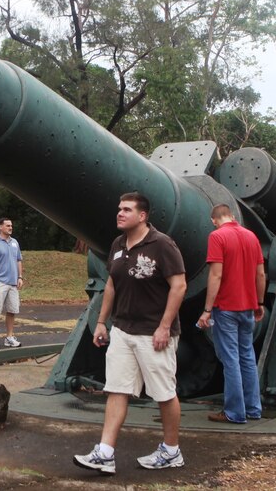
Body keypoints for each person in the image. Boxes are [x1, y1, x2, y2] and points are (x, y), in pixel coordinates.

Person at [74, 192, 187, 475]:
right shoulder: (118, 244)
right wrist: (102, 322)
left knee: (163, 393)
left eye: (126, 209)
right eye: (119, 209)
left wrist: (164, 326)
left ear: (143, 216)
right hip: (123, 330)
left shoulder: (162, 245)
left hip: (153, 332)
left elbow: (179, 286)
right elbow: (111, 284)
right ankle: (105, 453)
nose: (120, 213)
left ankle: (172, 451)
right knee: (116, 389)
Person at [197, 204, 266, 423]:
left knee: (231, 360)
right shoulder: (251, 237)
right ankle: (253, 409)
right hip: (248, 307)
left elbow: (216, 276)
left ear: (214, 220)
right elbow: (261, 274)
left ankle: (235, 412)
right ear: (232, 216)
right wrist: (260, 302)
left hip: (226, 308)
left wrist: (207, 310)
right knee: (247, 357)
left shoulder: (217, 237)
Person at [0, 217, 23, 349]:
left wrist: (20, 277)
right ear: (0, 227)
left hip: (13, 283)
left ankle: (9, 337)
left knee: (12, 310)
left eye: (11, 225)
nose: (10, 227)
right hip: (0, 282)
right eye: (7, 225)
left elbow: (18, 260)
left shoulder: (15, 243)